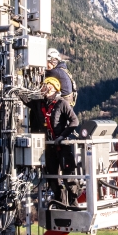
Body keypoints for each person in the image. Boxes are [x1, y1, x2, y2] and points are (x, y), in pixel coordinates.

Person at [31, 77, 80, 205]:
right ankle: (60, 203)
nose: (43, 88)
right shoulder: (39, 104)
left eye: (45, 86)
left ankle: (74, 204)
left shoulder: (61, 103)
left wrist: (62, 136)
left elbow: (75, 121)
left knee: (69, 178)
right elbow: (27, 99)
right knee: (53, 178)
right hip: (49, 148)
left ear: (52, 87)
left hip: (62, 146)